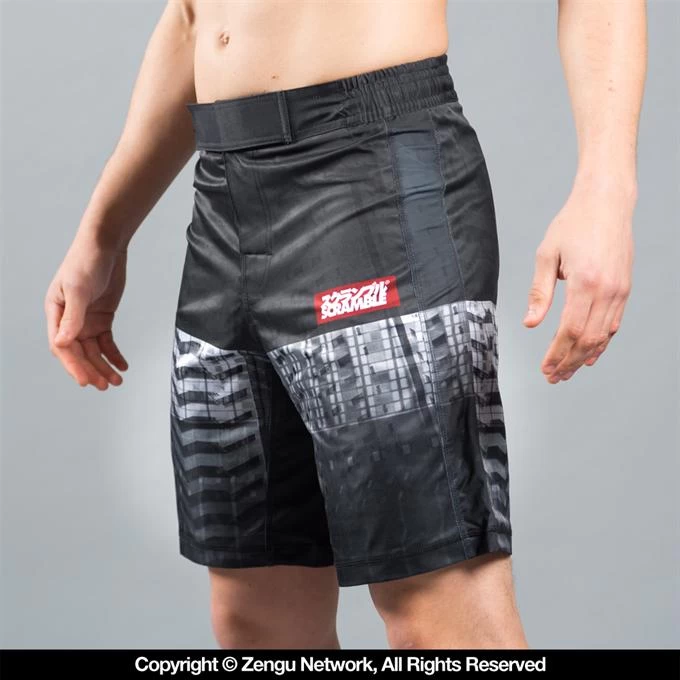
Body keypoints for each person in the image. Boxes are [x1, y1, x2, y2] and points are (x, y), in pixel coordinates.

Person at [44, 0, 646, 649]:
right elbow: (192, 16)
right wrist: (104, 234)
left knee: (436, 611)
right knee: (256, 618)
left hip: (372, 174)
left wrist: (606, 193)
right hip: (224, 198)